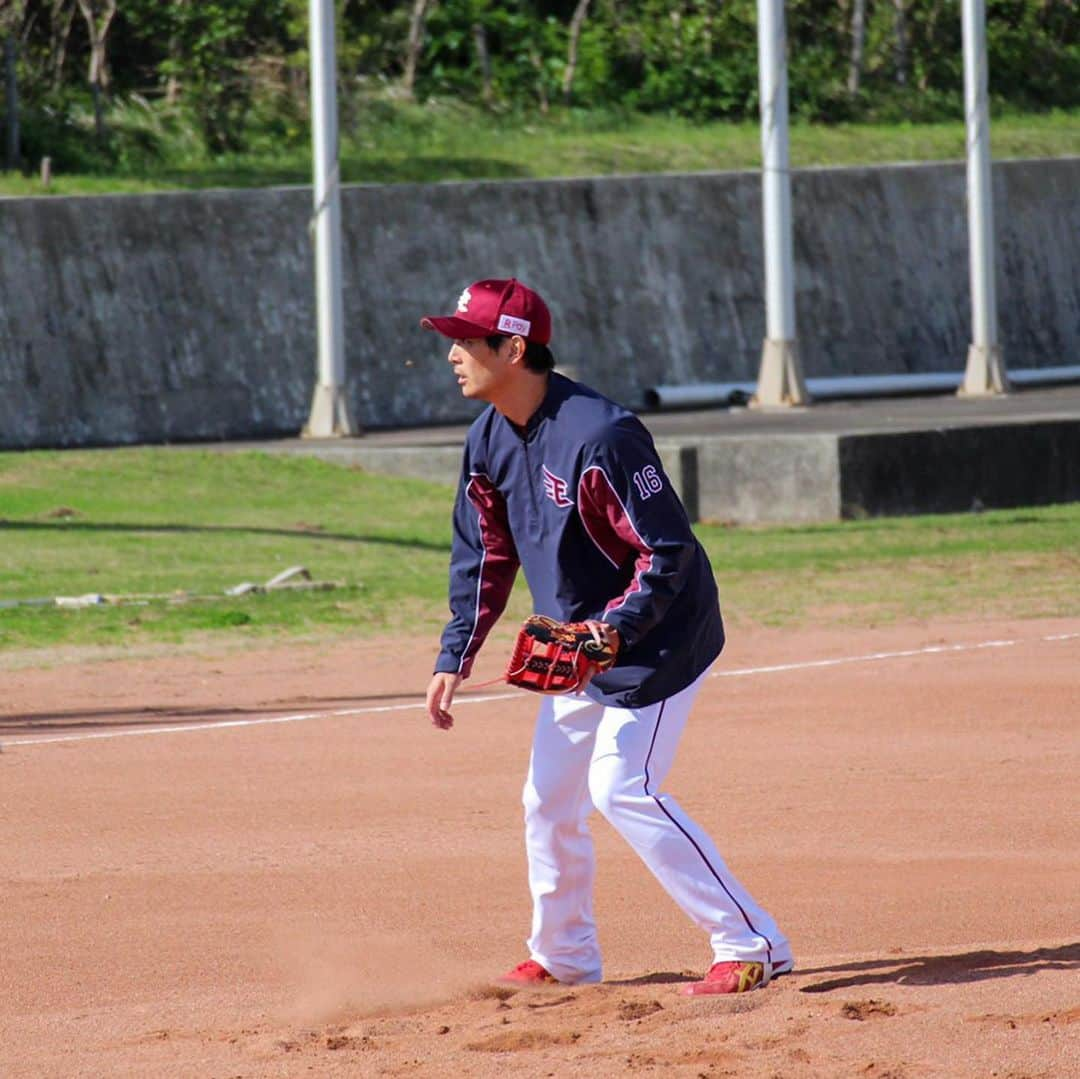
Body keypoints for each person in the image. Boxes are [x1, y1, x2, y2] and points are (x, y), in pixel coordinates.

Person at [422, 278, 792, 995]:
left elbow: (668, 552)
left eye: (467, 340)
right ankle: (564, 954)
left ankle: (752, 942)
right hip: (578, 646)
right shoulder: (488, 438)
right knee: (548, 798)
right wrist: (455, 654)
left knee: (623, 786)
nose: (453, 355)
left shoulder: (603, 434)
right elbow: (484, 554)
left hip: (659, 640)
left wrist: (612, 633)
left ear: (515, 347)